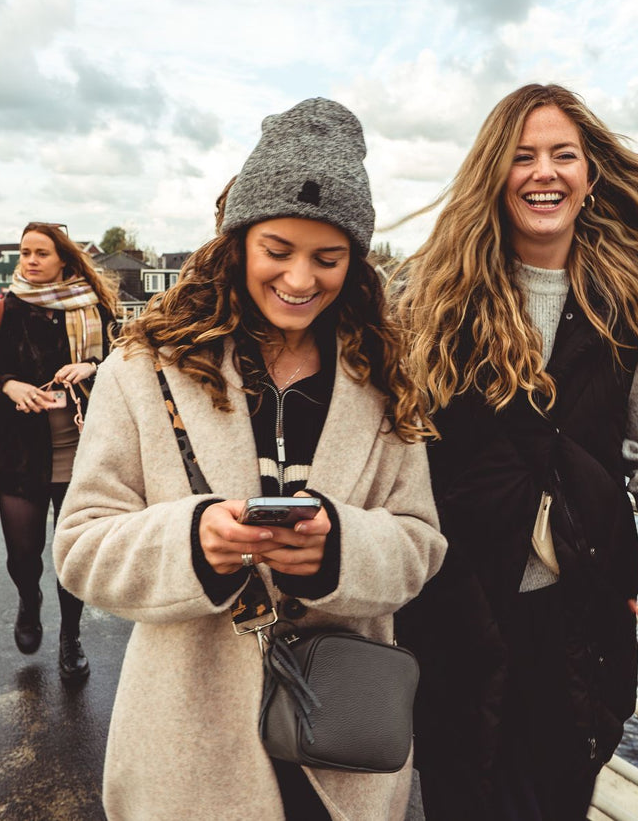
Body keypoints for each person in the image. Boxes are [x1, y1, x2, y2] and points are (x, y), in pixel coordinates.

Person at [52, 98, 447, 821]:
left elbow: (420, 544)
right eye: (278, 250)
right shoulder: (143, 369)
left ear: (354, 261)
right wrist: (192, 541)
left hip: (343, 758)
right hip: (185, 755)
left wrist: (339, 550)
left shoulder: (384, 380)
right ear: (236, 241)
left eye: (328, 258)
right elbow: (80, 546)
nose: (301, 279)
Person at [392, 83, 638, 820]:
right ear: (494, 174)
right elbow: (397, 441)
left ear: (590, 174)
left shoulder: (634, 300)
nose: (544, 172)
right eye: (522, 156)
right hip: (460, 615)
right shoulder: (435, 299)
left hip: (580, 627)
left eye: (564, 154)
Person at [0, 222, 120, 682]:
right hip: (19, 457)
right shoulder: (0, 312)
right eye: (25, 252)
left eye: (41, 253)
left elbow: (129, 363)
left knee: (71, 555)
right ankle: (29, 601)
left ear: (63, 261)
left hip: (83, 453)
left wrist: (91, 367)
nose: (29, 260)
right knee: (23, 555)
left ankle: (71, 637)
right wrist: (8, 386)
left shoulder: (98, 310)